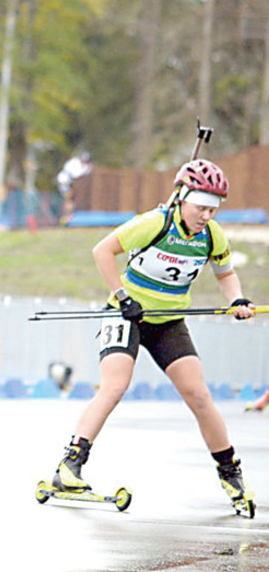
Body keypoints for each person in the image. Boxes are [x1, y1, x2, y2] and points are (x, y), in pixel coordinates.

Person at [47, 158, 256, 516]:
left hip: (168, 321)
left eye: (213, 209)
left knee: (199, 395)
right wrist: (124, 297)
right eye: (200, 207)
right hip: (126, 314)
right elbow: (103, 250)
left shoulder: (211, 236)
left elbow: (225, 275)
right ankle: (69, 467)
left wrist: (236, 300)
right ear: (181, 198)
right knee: (115, 386)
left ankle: (230, 473)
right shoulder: (154, 223)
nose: (206, 215)